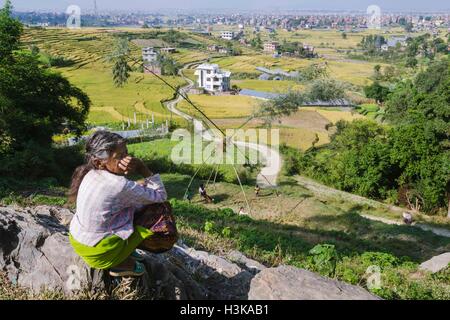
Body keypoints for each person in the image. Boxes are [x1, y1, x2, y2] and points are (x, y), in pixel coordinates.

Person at [68, 130, 169, 277]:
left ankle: (123, 250)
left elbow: (123, 191)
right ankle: (119, 263)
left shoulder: (90, 173)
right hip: (100, 253)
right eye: (120, 157)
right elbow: (161, 196)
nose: (127, 159)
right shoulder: (120, 185)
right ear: (99, 162)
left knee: (138, 199)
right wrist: (142, 168)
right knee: (160, 209)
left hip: (79, 241)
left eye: (127, 153)